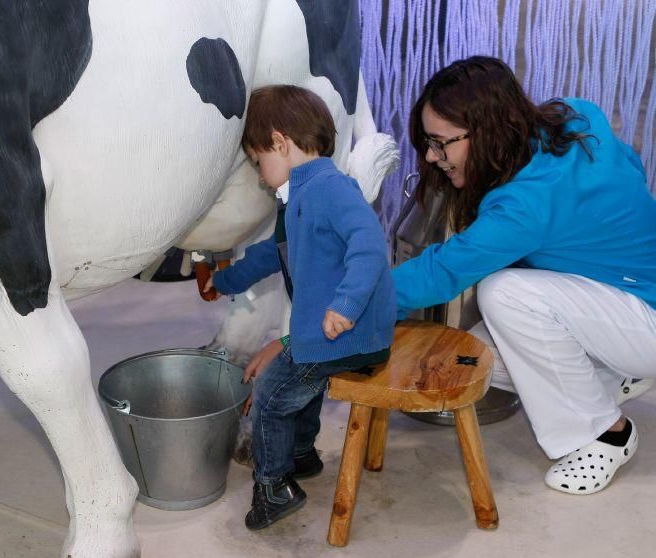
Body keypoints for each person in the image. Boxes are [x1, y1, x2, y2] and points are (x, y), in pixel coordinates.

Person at [392, 56, 656, 495]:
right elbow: (632, 168)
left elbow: (444, 271)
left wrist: (352, 305)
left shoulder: (523, 207)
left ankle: (606, 434)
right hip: (626, 297)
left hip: (647, 317)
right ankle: (616, 372)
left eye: (441, 143)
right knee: (476, 358)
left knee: (505, 294)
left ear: (488, 128)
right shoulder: (574, 116)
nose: (431, 156)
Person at [203, 84, 396, 530]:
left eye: (258, 161)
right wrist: (225, 279)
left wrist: (346, 305)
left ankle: (274, 486)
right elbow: (272, 255)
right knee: (305, 384)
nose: (258, 173)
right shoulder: (297, 199)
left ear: (280, 142)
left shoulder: (329, 189)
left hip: (344, 329)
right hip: (334, 334)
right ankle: (302, 454)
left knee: (271, 396)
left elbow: (369, 245)